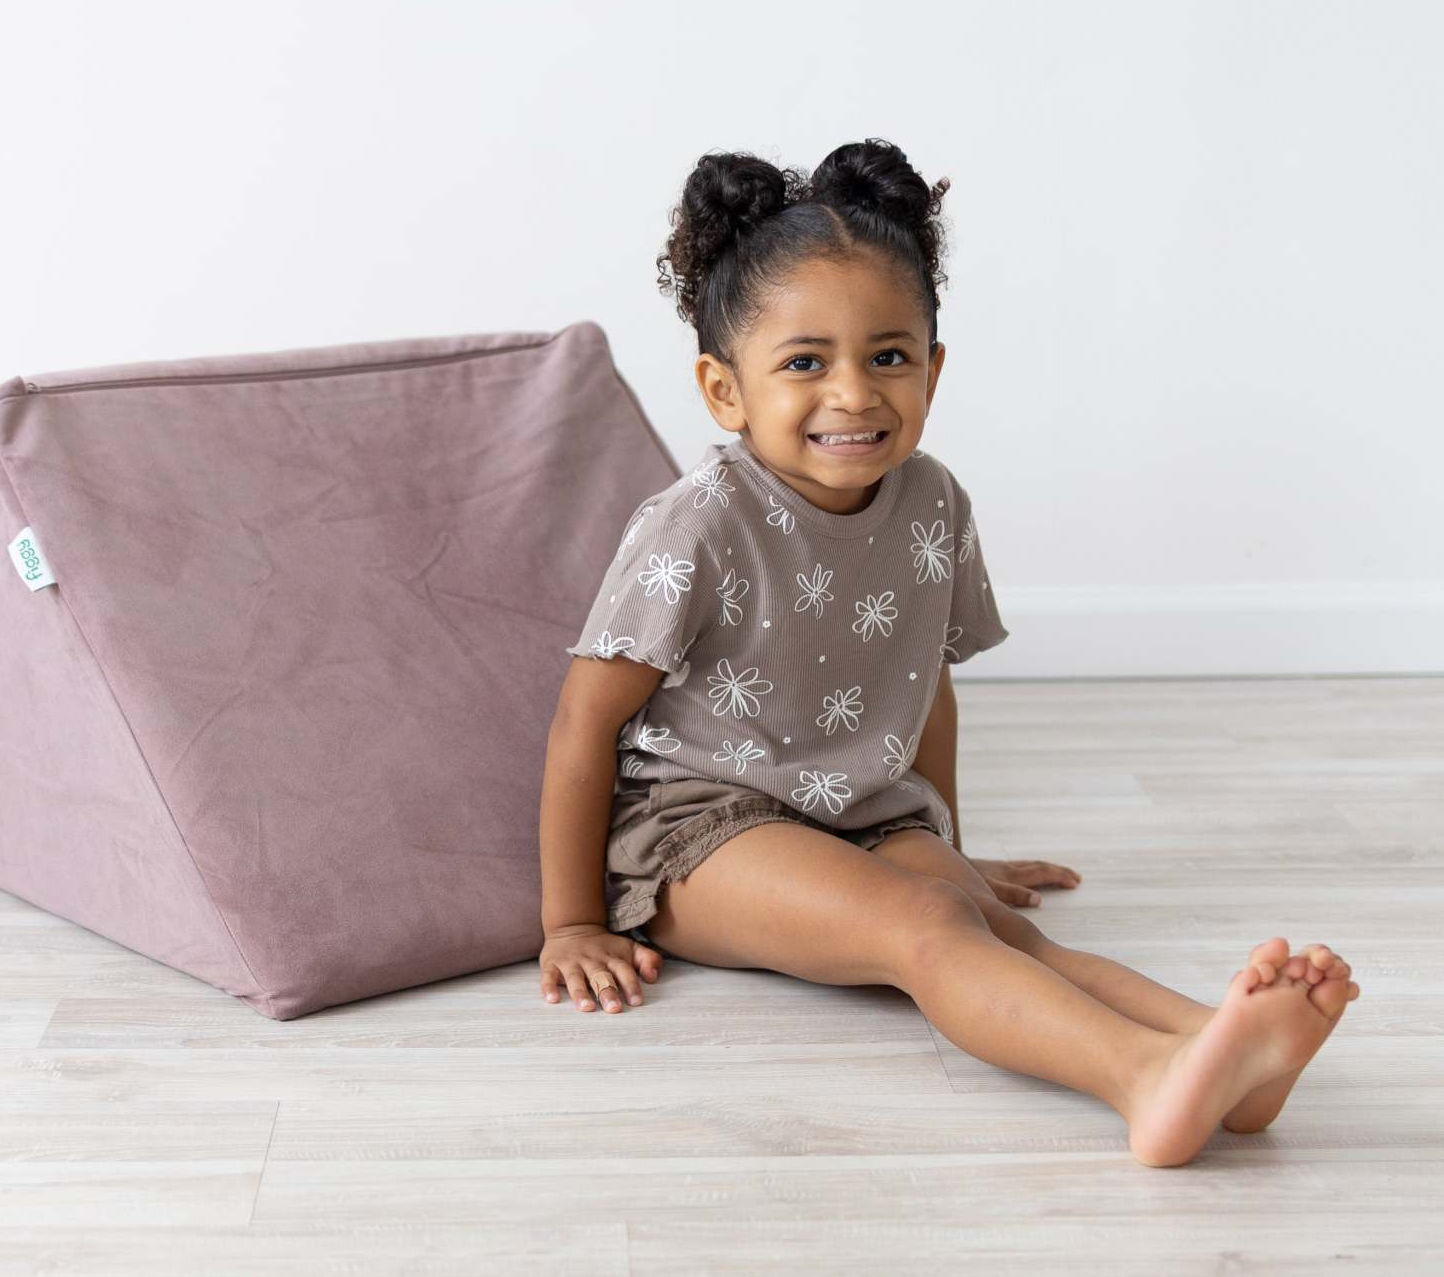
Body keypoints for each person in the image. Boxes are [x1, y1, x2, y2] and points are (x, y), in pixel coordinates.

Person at [536, 138, 1358, 1168]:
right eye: (805, 363)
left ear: (933, 367)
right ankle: (1143, 1080)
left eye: (889, 357)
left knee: (1003, 929)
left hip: (862, 810)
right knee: (924, 925)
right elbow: (585, 722)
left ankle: (1219, 1048)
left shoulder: (932, 501)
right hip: (698, 828)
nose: (854, 393)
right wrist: (570, 923)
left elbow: (924, 683)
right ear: (724, 389)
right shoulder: (697, 524)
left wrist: (952, 845)